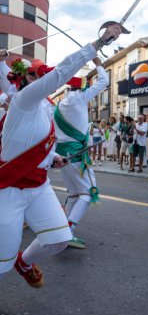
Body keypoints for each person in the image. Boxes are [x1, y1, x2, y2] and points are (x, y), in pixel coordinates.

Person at [0, 22, 122, 287]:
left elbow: (39, 142)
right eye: (38, 76)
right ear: (28, 81)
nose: (46, 80)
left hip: (39, 185)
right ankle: (14, 262)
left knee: (58, 240)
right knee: (1, 264)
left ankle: (25, 262)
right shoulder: (23, 101)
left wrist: (52, 157)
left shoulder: (45, 107)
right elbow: (60, 73)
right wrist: (98, 44)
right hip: (9, 189)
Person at [54, 57, 110, 249]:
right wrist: (99, 64)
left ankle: (63, 230)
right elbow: (104, 82)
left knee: (74, 193)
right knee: (86, 194)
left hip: (62, 155)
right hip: (77, 155)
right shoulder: (80, 98)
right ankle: (68, 231)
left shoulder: (60, 105)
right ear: (83, 88)